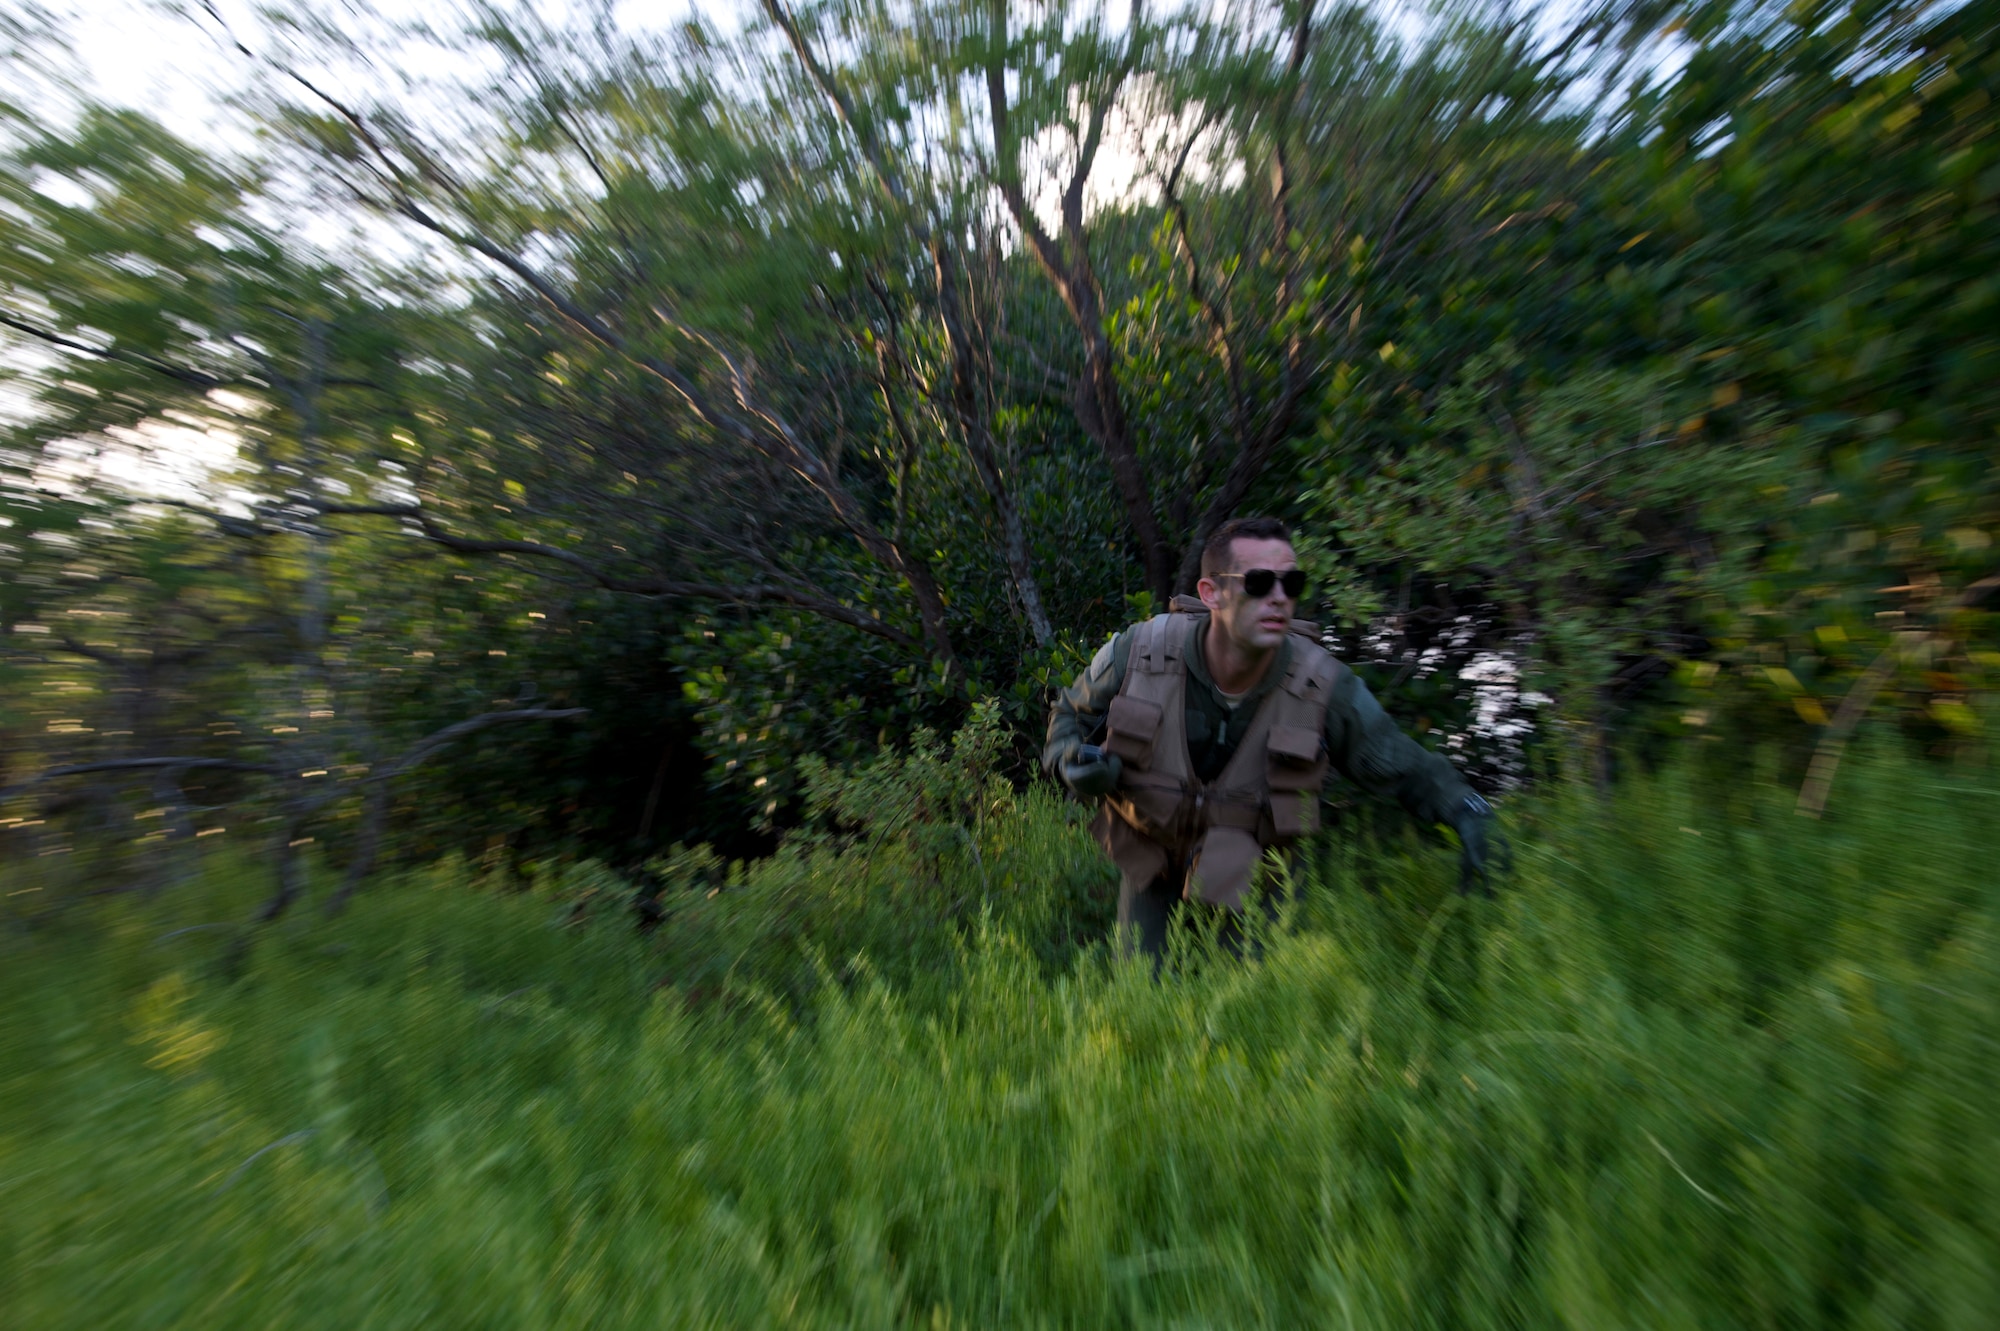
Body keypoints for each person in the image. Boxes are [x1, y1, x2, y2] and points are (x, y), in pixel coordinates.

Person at [1042, 516, 1498, 960]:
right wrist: (1071, 762)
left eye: (1291, 584)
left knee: (1253, 1020)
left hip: (1257, 881)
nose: (1279, 598)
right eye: (1259, 583)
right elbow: (1069, 715)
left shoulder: (1320, 684)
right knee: (1140, 1008)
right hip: (1151, 867)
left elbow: (1397, 760)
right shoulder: (1139, 652)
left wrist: (1466, 807)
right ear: (1212, 593)